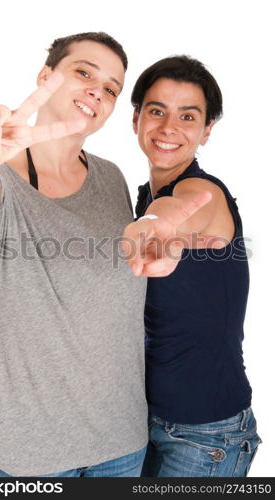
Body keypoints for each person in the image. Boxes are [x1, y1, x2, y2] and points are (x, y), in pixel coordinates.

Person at [0, 32, 212, 477]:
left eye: (111, 88)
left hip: (121, 441)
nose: (97, 90)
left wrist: (156, 230)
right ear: (46, 76)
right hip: (27, 446)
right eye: (84, 72)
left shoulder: (110, 178)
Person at [123, 55, 262, 477]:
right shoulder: (143, 192)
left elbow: (181, 210)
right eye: (157, 111)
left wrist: (154, 225)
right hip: (142, 423)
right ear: (136, 119)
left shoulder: (205, 191)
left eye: (188, 116)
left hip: (207, 435)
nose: (168, 128)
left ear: (207, 131)